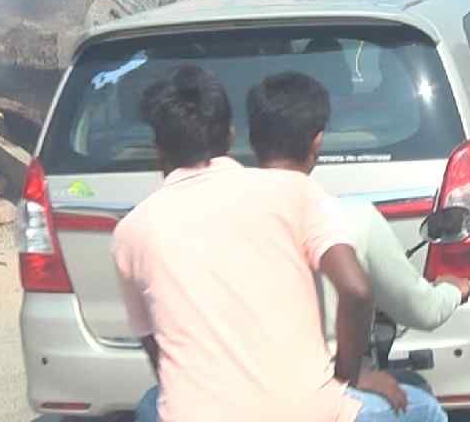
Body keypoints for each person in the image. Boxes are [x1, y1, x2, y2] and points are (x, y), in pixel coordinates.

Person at [115, 65, 444, 422]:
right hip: (308, 414)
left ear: (158, 149)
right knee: (424, 409)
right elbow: (356, 289)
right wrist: (348, 378)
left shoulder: (131, 231)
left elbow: (159, 354)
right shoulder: (292, 191)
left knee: (152, 405)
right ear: (229, 136)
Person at [246, 72, 470, 362]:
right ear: (317, 141)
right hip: (321, 389)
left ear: (252, 141)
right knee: (424, 404)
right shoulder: (353, 218)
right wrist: (453, 289)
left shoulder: (215, 221)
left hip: (229, 389)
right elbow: (424, 311)